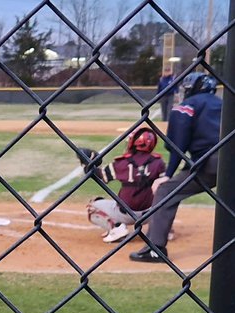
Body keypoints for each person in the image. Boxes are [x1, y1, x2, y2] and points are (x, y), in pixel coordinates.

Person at [130, 72, 222, 264]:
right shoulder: (225, 104)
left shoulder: (188, 106)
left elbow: (177, 144)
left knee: (166, 190)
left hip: (210, 162)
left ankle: (155, 248)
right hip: (228, 161)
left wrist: (168, 174)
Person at [85, 125, 166, 244]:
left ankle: (116, 228)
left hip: (125, 214)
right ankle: (165, 228)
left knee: (93, 205)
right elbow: (165, 187)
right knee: (164, 195)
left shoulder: (123, 162)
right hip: (151, 213)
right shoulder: (159, 162)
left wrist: (87, 165)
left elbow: (101, 175)